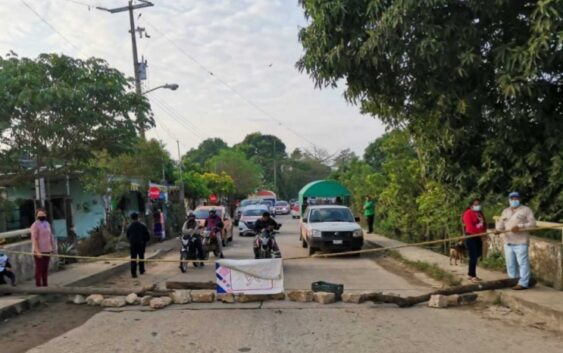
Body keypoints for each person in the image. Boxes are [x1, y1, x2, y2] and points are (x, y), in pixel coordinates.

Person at [495, 192, 536, 290]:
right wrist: (497, 230)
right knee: (510, 264)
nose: (514, 200)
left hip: (521, 242)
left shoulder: (526, 210)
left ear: (519, 199)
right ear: (509, 200)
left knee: (522, 263)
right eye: (512, 199)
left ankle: (523, 283)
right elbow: (501, 224)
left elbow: (533, 223)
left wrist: (520, 226)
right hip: (508, 242)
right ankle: (513, 281)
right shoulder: (505, 211)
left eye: (516, 198)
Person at [462, 198, 486, 282]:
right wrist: (479, 233)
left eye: (478, 204)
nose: (477, 206)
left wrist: (483, 233)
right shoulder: (467, 213)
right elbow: (469, 227)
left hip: (478, 237)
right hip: (471, 236)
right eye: (475, 204)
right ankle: (473, 275)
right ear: (471, 205)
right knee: (473, 256)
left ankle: (470, 274)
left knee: (476, 256)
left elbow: (483, 225)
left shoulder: (479, 213)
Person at [31, 209, 56, 287]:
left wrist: (53, 247)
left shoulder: (47, 224)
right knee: (39, 269)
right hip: (39, 251)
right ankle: (38, 285)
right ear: (37, 216)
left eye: (43, 214)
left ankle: (45, 285)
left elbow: (50, 236)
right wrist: (37, 251)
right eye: (40, 215)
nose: (41, 216)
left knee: (45, 268)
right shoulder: (35, 225)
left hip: (47, 250)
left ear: (45, 215)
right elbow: (34, 239)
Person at [126, 212, 150, 278]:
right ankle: (141, 270)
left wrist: (131, 241)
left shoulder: (129, 226)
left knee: (133, 258)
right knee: (141, 257)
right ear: (138, 218)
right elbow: (147, 236)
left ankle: (133, 273)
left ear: (131, 218)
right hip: (141, 244)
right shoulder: (142, 225)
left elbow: (127, 235)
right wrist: (144, 241)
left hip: (133, 245)